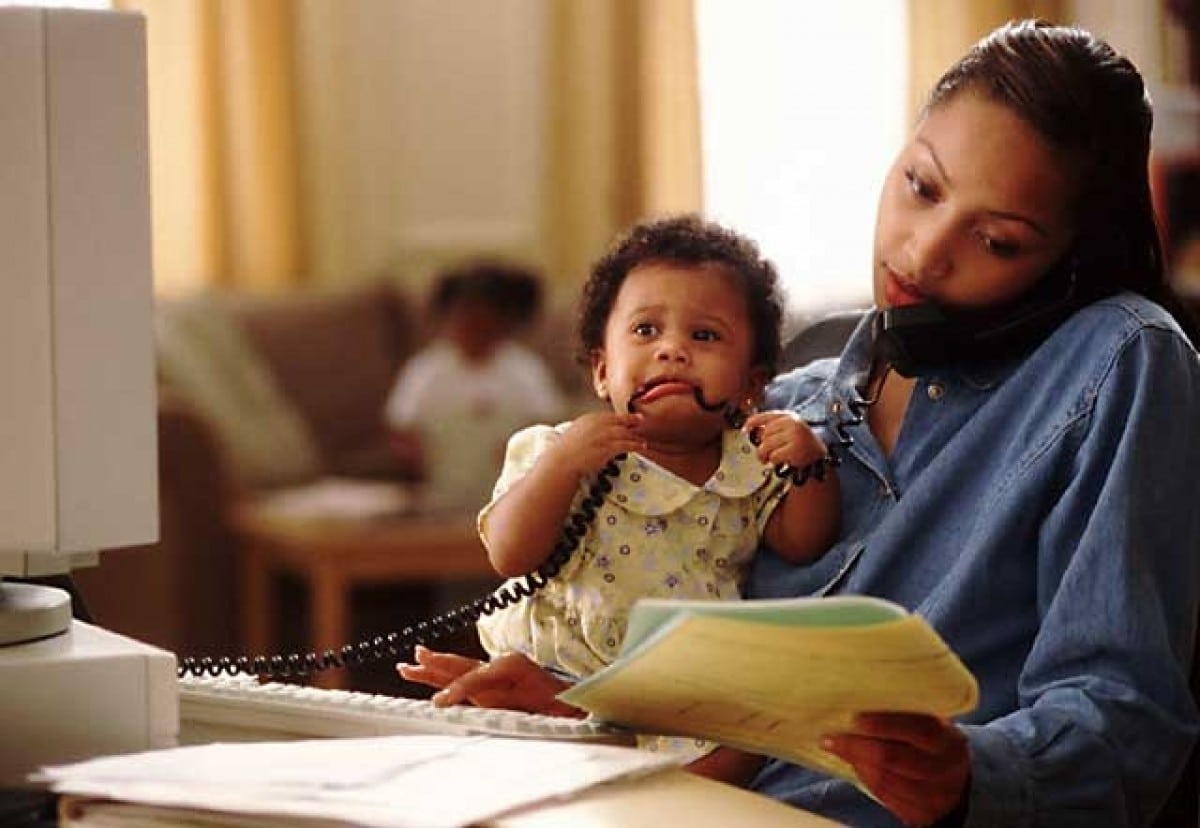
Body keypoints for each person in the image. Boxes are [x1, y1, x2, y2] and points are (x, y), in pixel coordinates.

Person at [397, 20, 1200, 826]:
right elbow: (726, 705)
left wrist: (968, 776)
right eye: (920, 186)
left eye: (994, 240)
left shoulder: (1118, 357)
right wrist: (580, 706)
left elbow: (1123, 718)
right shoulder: (783, 401)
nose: (920, 255)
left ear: (1068, 263)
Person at [404, 214, 841, 779]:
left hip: (675, 694)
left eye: (704, 336)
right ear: (603, 372)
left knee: (747, 746)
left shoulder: (749, 463)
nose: (673, 352)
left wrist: (811, 465)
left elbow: (803, 542)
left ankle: (674, 800)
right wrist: (562, 468)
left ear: (752, 383)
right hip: (551, 677)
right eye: (646, 332)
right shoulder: (566, 450)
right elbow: (510, 554)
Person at [383, 260, 566, 510]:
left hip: (510, 496)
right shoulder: (426, 371)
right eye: (465, 319)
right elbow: (400, 429)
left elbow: (548, 425)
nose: (474, 329)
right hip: (441, 494)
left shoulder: (525, 371)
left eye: (485, 322)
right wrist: (420, 457)